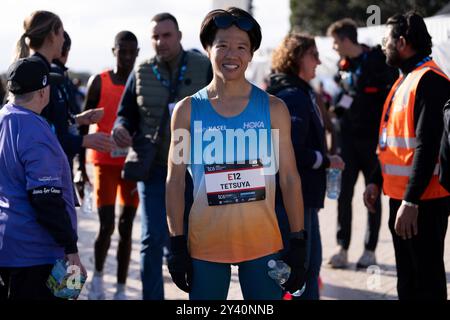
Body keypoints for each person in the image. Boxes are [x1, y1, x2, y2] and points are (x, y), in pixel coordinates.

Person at [166, 7, 307, 300]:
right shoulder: (186, 111)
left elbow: (290, 179)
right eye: (223, 46)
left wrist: (298, 239)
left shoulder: (274, 109)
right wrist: (176, 243)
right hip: (205, 244)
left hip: (262, 242)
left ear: (252, 53)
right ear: (208, 49)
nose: (232, 55)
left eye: (242, 47)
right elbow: (175, 180)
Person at [112, 13, 211, 300]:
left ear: (179, 36)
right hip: (154, 169)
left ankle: (200, 298)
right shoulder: (141, 71)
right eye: (155, 36)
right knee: (151, 239)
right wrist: (121, 128)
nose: (160, 41)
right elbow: (125, 114)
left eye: (166, 35)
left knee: (198, 240)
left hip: (196, 170)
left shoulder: (203, 66)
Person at [364, 12, 450, 300]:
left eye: (386, 40)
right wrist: (376, 180)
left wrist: (411, 199)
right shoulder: (405, 80)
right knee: (408, 284)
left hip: (423, 202)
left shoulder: (431, 81)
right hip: (403, 199)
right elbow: (392, 140)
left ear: (402, 42)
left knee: (427, 283)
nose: (382, 46)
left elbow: (428, 146)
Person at [0, 56, 86, 300]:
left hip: (8, 246)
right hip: (36, 254)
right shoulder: (34, 129)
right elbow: (45, 198)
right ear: (42, 92)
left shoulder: (5, 116)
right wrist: (71, 248)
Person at [267, 33, 345, 300]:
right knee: (301, 275)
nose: (319, 61)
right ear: (297, 57)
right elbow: (290, 151)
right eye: (314, 55)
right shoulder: (293, 96)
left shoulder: (297, 92)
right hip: (293, 200)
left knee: (303, 272)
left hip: (300, 198)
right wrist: (326, 160)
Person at [326, 18, 398, 269]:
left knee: (372, 194)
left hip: (371, 142)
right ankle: (342, 247)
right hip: (347, 142)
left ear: (346, 40)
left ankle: (370, 250)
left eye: (335, 42)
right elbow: (344, 95)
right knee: (344, 195)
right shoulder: (343, 65)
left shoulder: (378, 61)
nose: (333, 47)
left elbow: (389, 99)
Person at [15, 10, 114, 172]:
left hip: (47, 170)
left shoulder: (41, 71)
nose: (63, 39)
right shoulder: (36, 76)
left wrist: (76, 120)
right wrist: (83, 140)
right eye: (61, 33)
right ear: (52, 35)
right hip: (41, 174)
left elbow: (48, 122)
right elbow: (37, 138)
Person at [81, 31, 140, 300]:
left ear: (137, 53)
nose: (127, 57)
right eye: (122, 51)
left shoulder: (141, 81)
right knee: (106, 226)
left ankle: (119, 286)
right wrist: (80, 168)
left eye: (131, 52)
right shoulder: (98, 82)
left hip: (130, 164)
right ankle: (98, 278)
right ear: (113, 51)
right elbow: (82, 124)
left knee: (127, 226)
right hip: (104, 163)